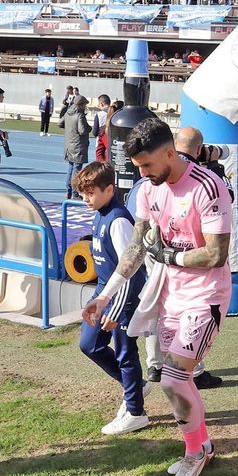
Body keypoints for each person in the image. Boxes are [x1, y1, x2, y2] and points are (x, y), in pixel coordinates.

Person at [83, 118, 233, 476]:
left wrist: (170, 257)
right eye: (138, 168)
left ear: (170, 153)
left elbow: (216, 254)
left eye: (148, 165)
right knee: (174, 380)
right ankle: (202, 448)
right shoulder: (148, 189)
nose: (144, 174)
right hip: (170, 295)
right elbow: (136, 246)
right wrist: (106, 294)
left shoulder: (208, 187)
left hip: (206, 295)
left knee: (172, 379)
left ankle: (194, 455)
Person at [74, 162, 150, 435]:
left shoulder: (118, 220)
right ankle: (136, 387)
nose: (85, 199)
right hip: (105, 291)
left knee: (126, 352)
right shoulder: (100, 213)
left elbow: (132, 270)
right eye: (82, 193)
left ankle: (136, 412)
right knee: (89, 344)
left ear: (109, 189)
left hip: (124, 296)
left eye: (90, 193)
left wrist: (116, 309)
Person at [63, 93, 90, 198]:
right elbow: (82, 130)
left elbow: (60, 123)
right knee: (76, 169)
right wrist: (89, 128)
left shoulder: (67, 114)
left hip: (69, 145)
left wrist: (70, 129)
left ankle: (68, 191)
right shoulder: (80, 115)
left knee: (70, 167)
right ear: (81, 105)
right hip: (78, 145)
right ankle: (75, 193)